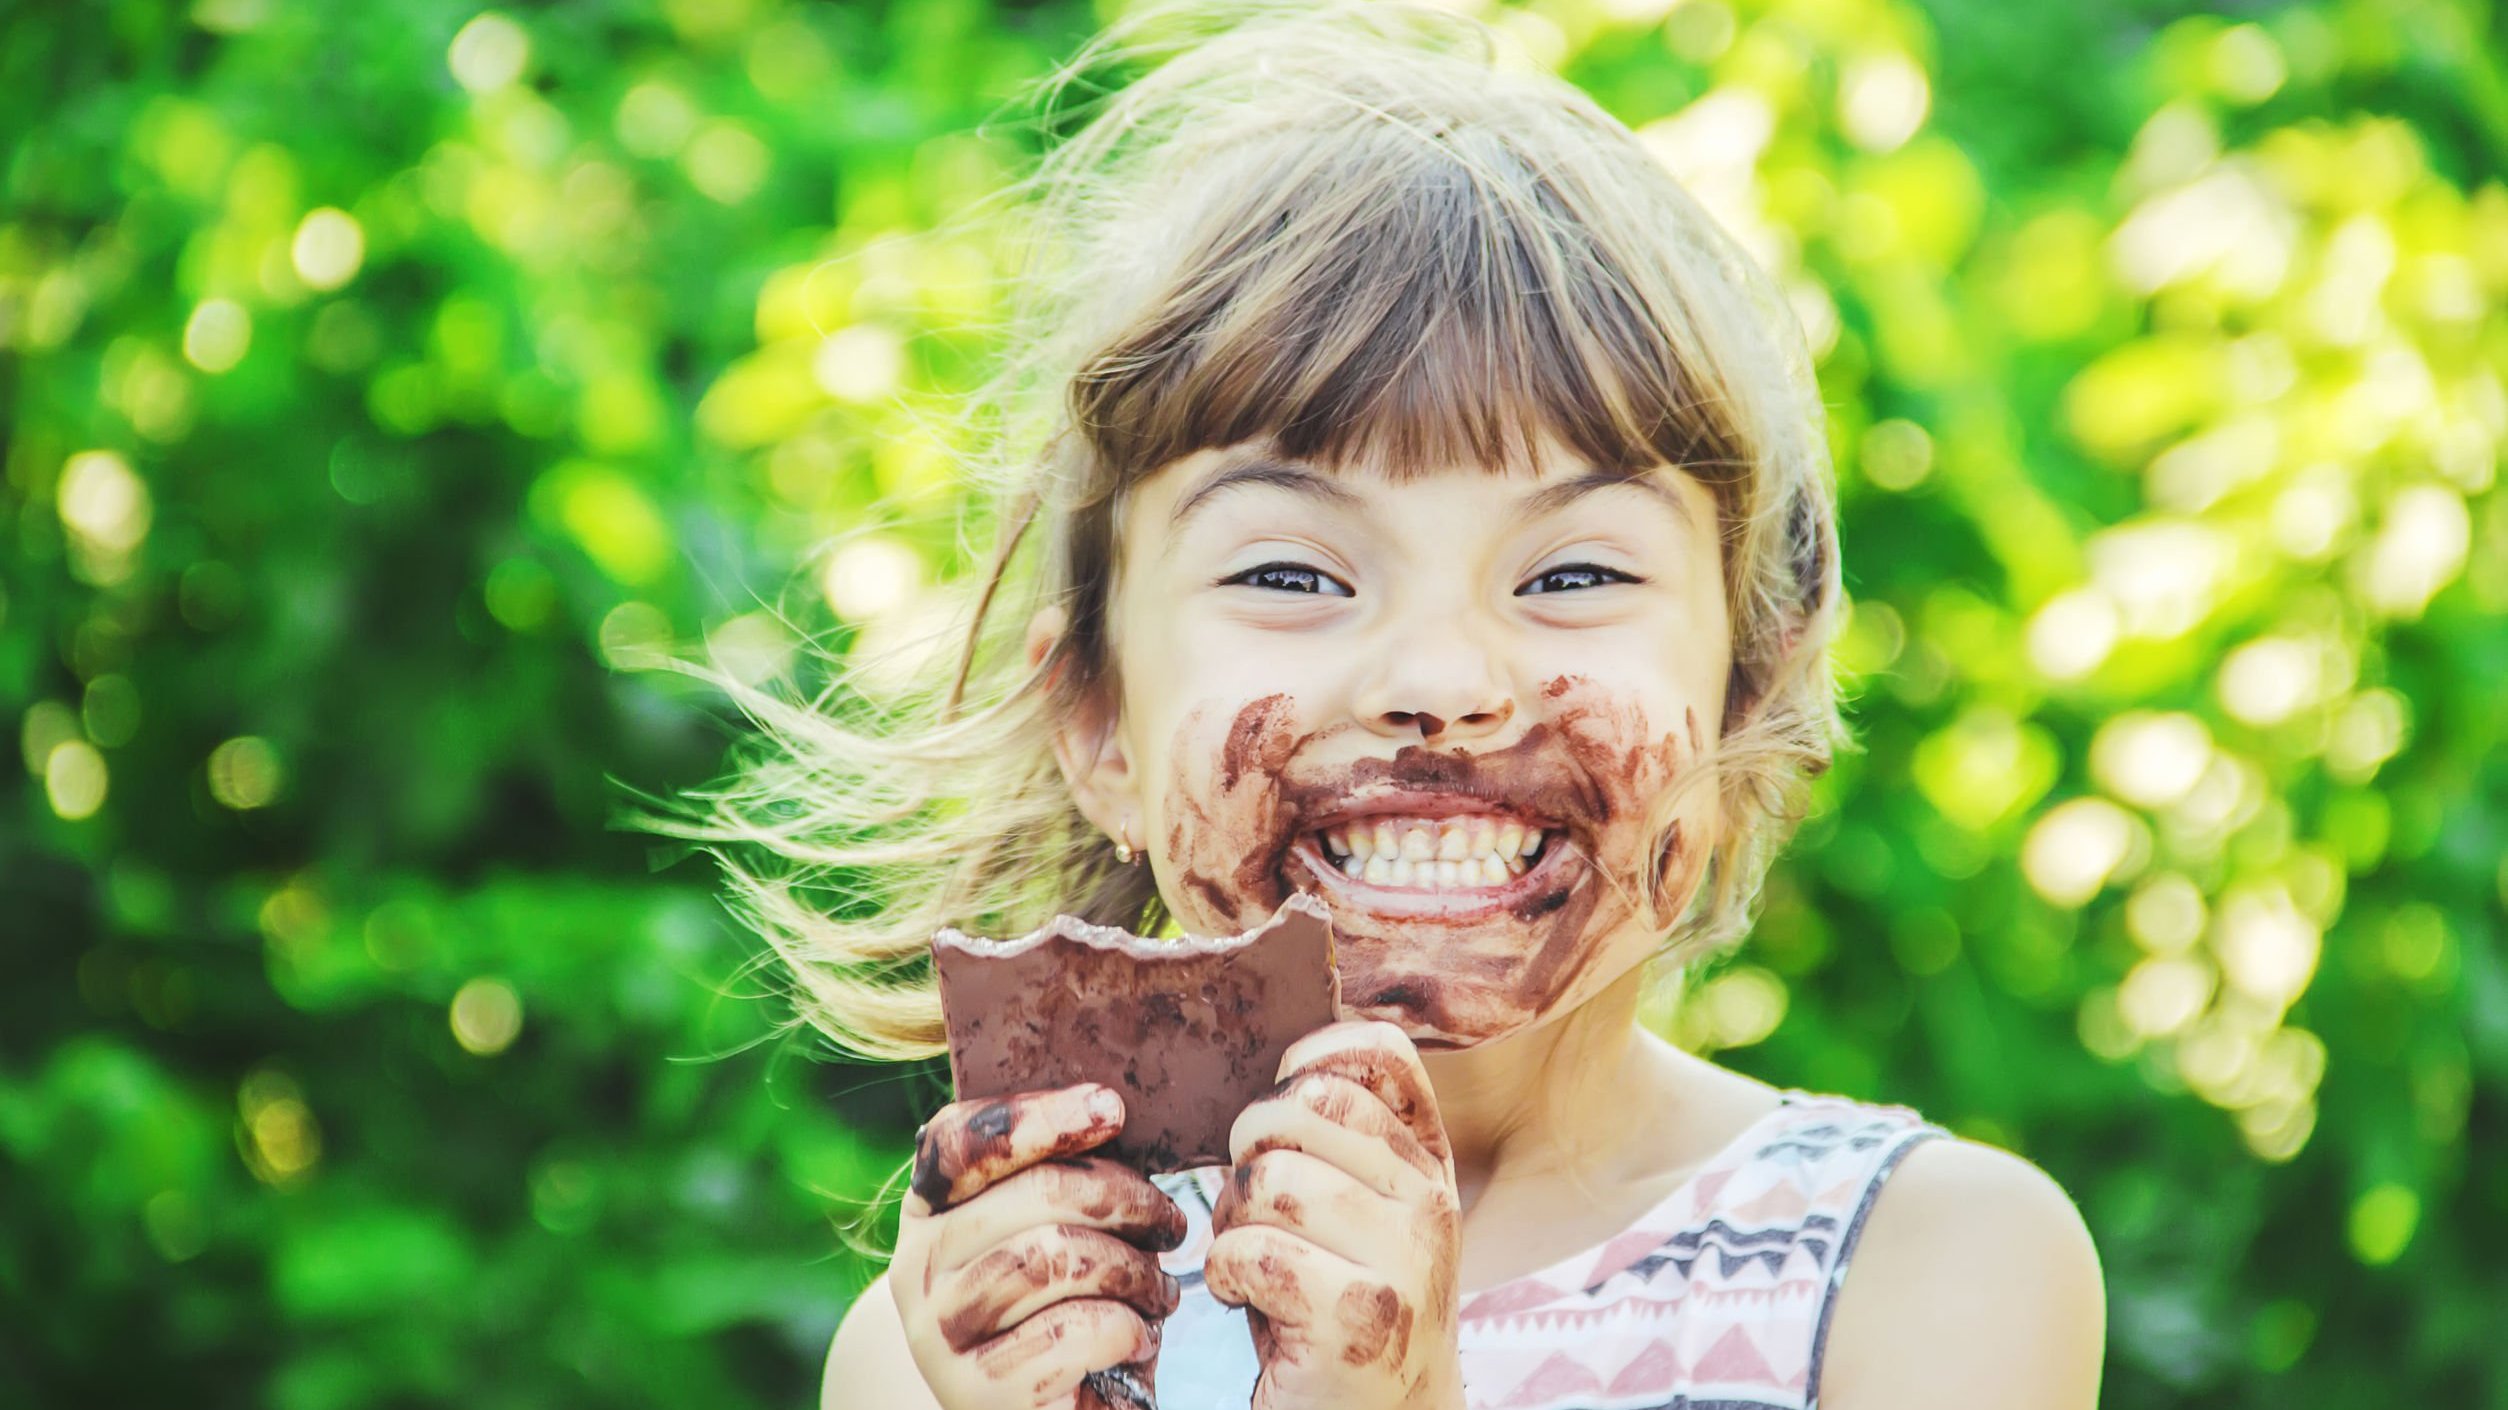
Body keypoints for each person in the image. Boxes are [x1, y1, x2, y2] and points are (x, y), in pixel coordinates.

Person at [675, 2, 2106, 1405]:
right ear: (1101, 725)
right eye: (1295, 571)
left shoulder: (1929, 1266)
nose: (1439, 682)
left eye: (1575, 572)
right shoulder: (962, 1345)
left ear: (1740, 703)